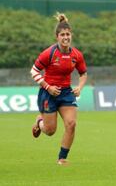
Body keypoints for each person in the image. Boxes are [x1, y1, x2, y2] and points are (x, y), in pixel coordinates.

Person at [30, 12, 88, 165]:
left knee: (71, 124)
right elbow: (34, 71)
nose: (65, 37)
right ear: (57, 37)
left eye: (68, 34)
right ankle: (39, 121)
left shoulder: (76, 55)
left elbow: (83, 74)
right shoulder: (48, 53)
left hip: (66, 93)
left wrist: (80, 87)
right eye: (62, 35)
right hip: (48, 93)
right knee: (50, 131)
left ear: (71, 35)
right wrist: (48, 87)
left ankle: (62, 158)